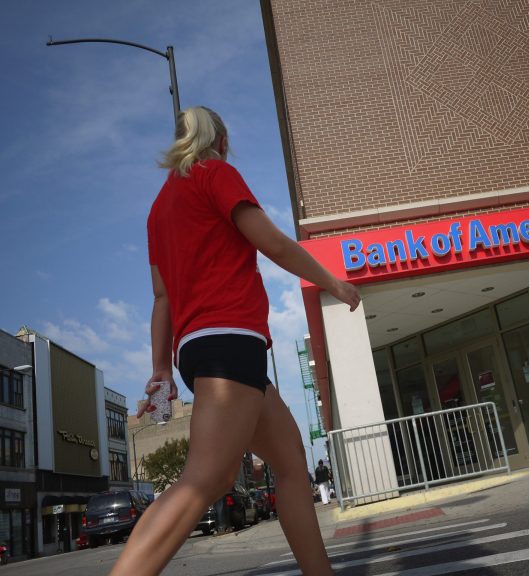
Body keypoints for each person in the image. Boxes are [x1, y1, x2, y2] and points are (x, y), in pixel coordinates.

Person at [109, 106, 360, 576]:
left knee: (289, 462)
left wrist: (161, 368)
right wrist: (333, 282)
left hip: (196, 350)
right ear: (219, 140)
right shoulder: (215, 173)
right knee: (207, 479)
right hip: (230, 339)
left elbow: (161, 297)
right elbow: (274, 243)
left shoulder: (158, 209)